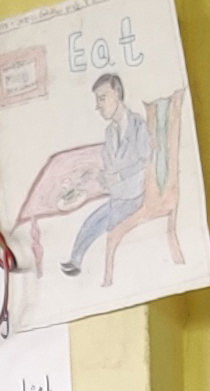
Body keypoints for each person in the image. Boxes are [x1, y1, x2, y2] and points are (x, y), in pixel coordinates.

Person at [60, 70, 154, 277]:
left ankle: (77, 260)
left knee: (98, 222)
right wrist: (100, 177)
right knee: (91, 221)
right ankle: (75, 261)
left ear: (117, 94)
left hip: (135, 196)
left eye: (102, 98)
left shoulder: (137, 125)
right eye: (97, 100)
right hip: (119, 196)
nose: (98, 106)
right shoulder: (110, 133)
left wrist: (118, 177)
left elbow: (145, 160)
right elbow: (110, 167)